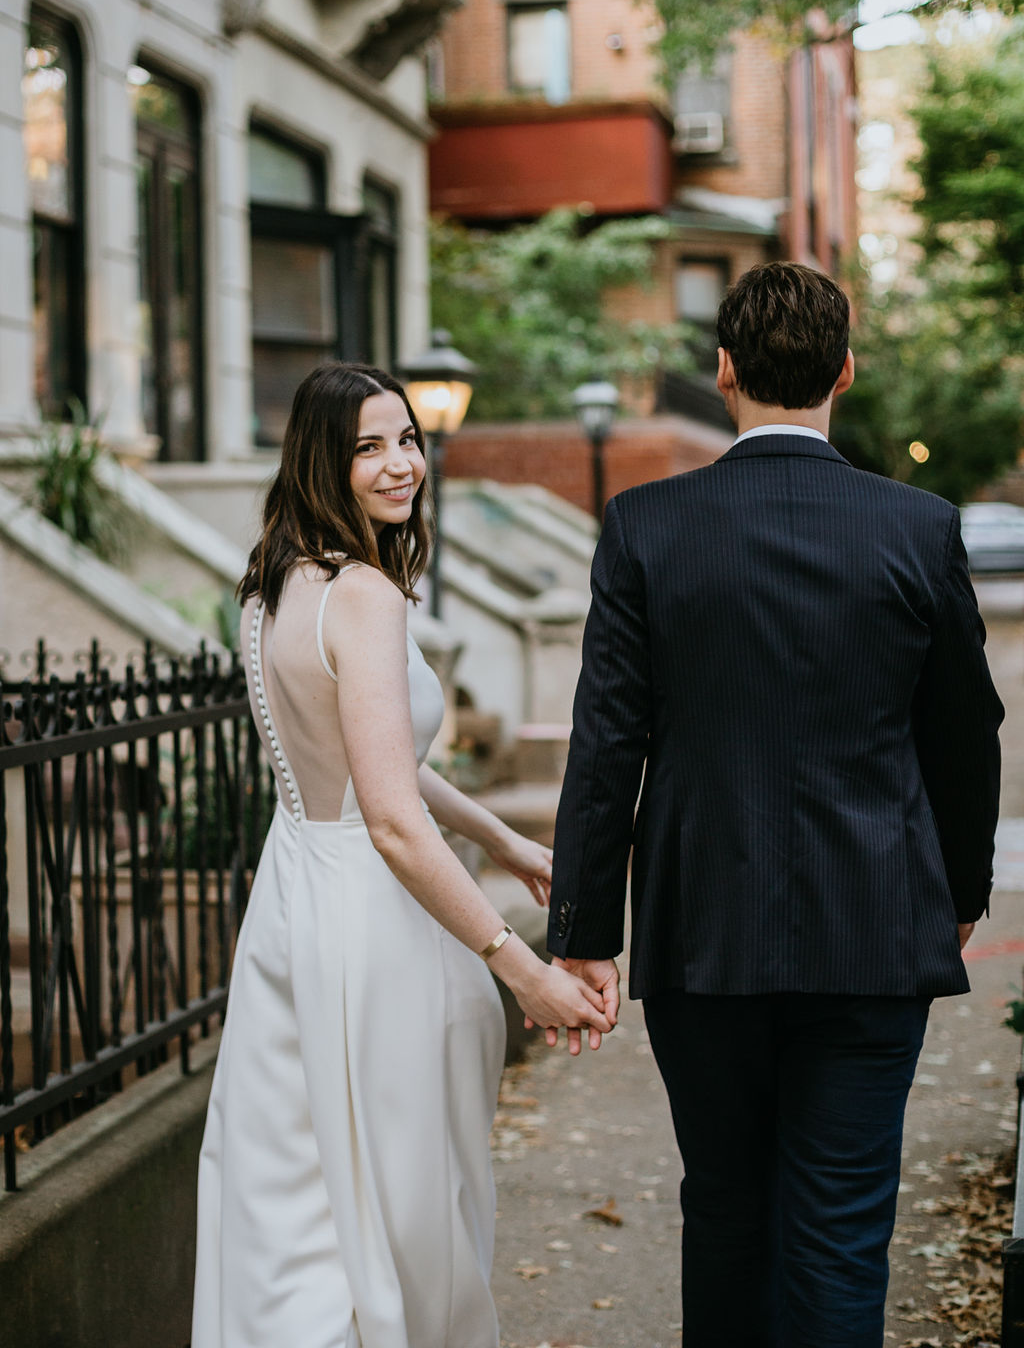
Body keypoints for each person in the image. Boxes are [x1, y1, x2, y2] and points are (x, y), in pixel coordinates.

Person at [546, 262, 1004, 1347]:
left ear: (722, 373)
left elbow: (607, 739)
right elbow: (963, 729)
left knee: (726, 1210)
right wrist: (959, 889)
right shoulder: (917, 527)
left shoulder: (645, 527)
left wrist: (581, 933)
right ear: (842, 371)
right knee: (841, 1232)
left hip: (703, 933)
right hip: (875, 927)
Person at [191, 362, 611, 1348]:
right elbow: (385, 818)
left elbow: (363, 762)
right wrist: (517, 967)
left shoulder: (270, 588)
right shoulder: (366, 597)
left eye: (407, 440)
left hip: (293, 901)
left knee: (305, 1191)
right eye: (367, 447)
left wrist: (505, 840)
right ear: (319, 461)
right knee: (402, 1199)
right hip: (373, 923)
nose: (398, 465)